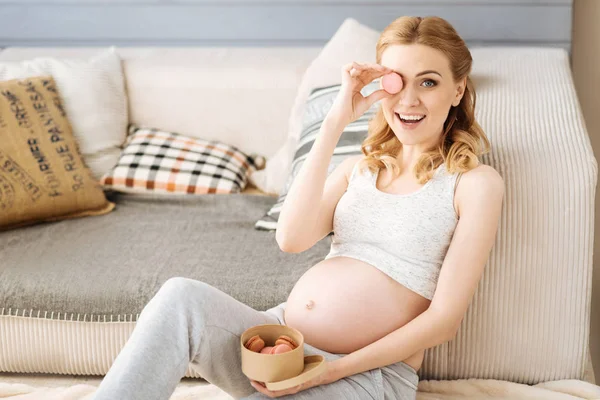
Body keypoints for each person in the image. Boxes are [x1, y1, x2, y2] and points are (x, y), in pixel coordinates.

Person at [92, 15, 504, 400]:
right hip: (282, 343)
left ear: (458, 89)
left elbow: (444, 321)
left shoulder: (474, 185)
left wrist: (329, 372)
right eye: (399, 83)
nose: (409, 100)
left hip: (368, 375)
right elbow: (290, 239)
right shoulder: (357, 169)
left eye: (429, 82)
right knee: (180, 298)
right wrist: (335, 122)